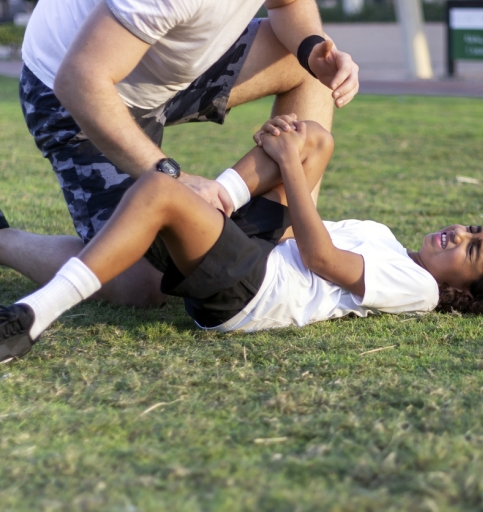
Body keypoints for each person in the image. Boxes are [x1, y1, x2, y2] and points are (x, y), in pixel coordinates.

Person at [0, 116, 483, 363]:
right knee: (317, 138)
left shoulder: (419, 288)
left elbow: (318, 257)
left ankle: (30, 318)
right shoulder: (390, 241)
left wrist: (288, 166)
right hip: (265, 255)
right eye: (472, 228)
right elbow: (304, 235)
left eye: (470, 249)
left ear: (462, 293)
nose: (459, 233)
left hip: (250, 291)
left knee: (158, 191)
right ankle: (217, 197)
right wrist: (295, 154)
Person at [7, 0, 359, 308]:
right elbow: (79, 79)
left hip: (164, 72)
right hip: (73, 92)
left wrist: (313, 48)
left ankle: (288, 244)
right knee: (146, 285)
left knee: (311, 68)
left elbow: (287, 5)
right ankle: (4, 241)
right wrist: (173, 176)